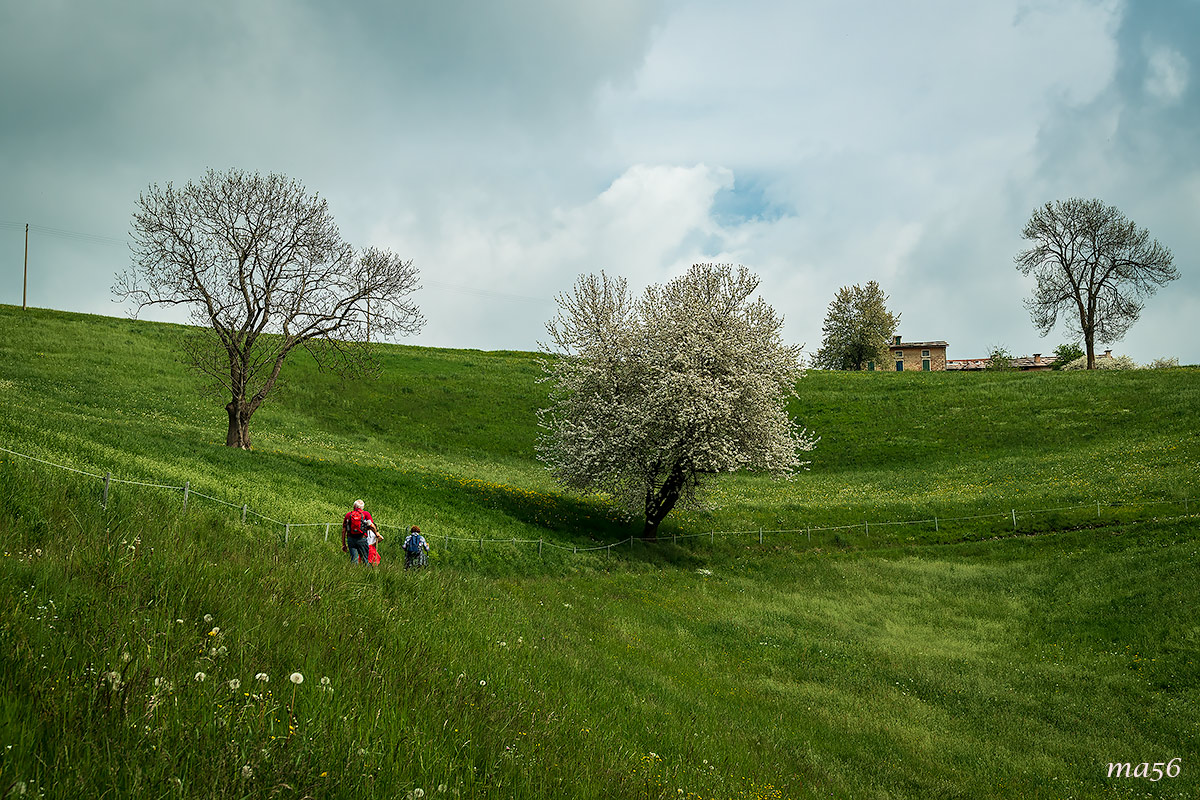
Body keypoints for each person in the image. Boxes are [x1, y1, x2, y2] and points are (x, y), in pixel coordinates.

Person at [341, 499, 375, 565]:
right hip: (362, 538)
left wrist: (344, 544)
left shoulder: (348, 515)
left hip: (351, 539)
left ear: (354, 506)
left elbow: (343, 530)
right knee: (365, 559)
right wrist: (376, 533)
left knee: (354, 560)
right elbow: (372, 525)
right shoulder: (366, 514)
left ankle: (353, 573)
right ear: (362, 507)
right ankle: (368, 573)